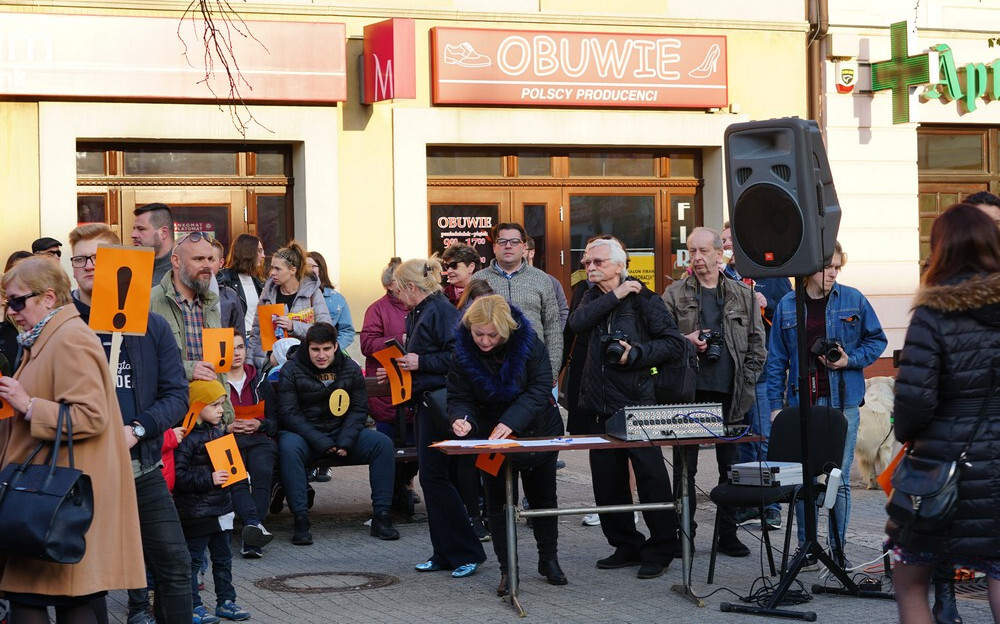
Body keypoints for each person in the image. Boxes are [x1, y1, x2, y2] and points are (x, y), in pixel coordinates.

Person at [0, 257, 145, 623]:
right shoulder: (45, 338)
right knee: (53, 600)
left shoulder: (68, 338)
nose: (10, 311)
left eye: (17, 301)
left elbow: (90, 415)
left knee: (45, 600)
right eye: (6, 302)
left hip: (56, 502)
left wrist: (28, 404)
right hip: (46, 500)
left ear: (48, 297)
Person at [68, 223, 194, 624]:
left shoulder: (150, 326)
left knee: (175, 566)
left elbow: (177, 395)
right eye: (80, 258)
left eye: (98, 257)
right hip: (81, 476)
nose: (89, 266)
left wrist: (137, 429)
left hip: (141, 469)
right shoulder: (62, 326)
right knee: (88, 577)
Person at [889, 203, 1000, 624]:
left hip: (945, 469)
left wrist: (909, 434)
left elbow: (915, 403)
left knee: (910, 580)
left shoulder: (933, 313)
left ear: (941, 250)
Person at [567, 238, 686, 580]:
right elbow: (576, 325)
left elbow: (672, 344)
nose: (590, 267)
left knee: (651, 479)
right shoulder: (591, 297)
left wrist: (636, 355)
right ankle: (625, 544)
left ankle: (662, 547)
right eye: (587, 262)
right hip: (598, 404)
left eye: (598, 262)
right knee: (607, 482)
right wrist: (614, 296)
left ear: (620, 266)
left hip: (638, 404)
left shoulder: (646, 301)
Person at [766, 240, 887, 568]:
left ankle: (838, 549)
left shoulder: (853, 299)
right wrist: (776, 406)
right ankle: (807, 547)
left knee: (838, 477)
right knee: (804, 477)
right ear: (809, 268)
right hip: (802, 401)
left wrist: (849, 360)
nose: (834, 273)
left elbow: (878, 340)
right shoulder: (788, 305)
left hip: (843, 401)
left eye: (838, 267)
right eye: (827, 267)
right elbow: (776, 359)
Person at [448, 295, 567, 596]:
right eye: (478, 334)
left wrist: (512, 421)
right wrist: (462, 419)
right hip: (492, 434)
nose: (485, 341)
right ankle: (507, 569)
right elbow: (459, 395)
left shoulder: (529, 343)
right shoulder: (462, 352)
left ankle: (548, 559)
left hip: (537, 428)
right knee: (498, 503)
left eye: (492, 335)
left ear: (507, 329)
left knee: (543, 497)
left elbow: (541, 387)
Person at [662, 227, 767, 558]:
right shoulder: (674, 294)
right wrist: (685, 342)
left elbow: (757, 346)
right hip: (689, 393)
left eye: (702, 251)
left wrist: (747, 383)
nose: (696, 257)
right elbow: (660, 341)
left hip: (730, 393)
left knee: (730, 466)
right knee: (684, 467)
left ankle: (728, 532)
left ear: (719, 253)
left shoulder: (743, 295)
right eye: (691, 251)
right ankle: (685, 534)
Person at [386, 258, 486, 578]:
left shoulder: (440, 310)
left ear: (412, 288)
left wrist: (420, 361)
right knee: (433, 479)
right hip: (428, 404)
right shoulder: (423, 310)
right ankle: (444, 552)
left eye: (399, 290)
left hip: (443, 404)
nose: (397, 297)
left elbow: (460, 355)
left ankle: (466, 552)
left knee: (440, 479)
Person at [276, 322, 399, 545]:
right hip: (306, 438)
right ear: (307, 347)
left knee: (382, 444)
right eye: (315, 349)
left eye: (326, 349)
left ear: (335, 347)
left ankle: (382, 516)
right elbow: (289, 414)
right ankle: (301, 520)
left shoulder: (349, 367)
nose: (321, 355)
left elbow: (359, 408)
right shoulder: (291, 370)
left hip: (342, 435)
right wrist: (321, 441)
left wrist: (346, 440)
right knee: (288, 446)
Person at [720, 224, 791, 531]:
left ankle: (771, 505)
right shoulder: (718, 278)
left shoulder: (772, 273)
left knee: (763, 438)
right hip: (730, 373)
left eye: (728, 242)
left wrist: (767, 305)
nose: (724, 248)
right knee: (740, 440)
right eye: (721, 243)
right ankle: (748, 502)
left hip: (761, 371)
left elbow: (788, 313)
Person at [174, 380, 254, 624]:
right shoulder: (187, 439)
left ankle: (226, 601)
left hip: (221, 508)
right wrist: (208, 478)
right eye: (214, 405)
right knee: (195, 560)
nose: (221, 410)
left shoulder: (218, 432)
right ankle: (192, 605)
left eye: (222, 404)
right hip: (198, 511)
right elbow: (178, 476)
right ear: (197, 408)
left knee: (223, 558)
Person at [149, 231, 236, 423]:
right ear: (176, 261)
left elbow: (219, 368)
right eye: (198, 259)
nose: (207, 266)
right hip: (172, 420)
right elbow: (144, 362)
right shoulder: (150, 301)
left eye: (210, 258)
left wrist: (227, 417)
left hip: (211, 420)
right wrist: (188, 369)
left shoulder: (212, 303)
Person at [359, 258, 417, 515]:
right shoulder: (377, 309)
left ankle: (403, 485)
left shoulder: (419, 306)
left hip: (414, 387)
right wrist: (397, 341)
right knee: (388, 445)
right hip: (386, 389)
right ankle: (392, 494)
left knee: (416, 446)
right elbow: (367, 344)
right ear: (391, 284)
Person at [472, 223, 563, 379]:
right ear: (494, 247)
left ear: (524, 247)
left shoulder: (541, 279)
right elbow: (466, 327)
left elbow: (552, 326)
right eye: (502, 242)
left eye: (514, 242)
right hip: (489, 368)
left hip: (533, 366)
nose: (508, 246)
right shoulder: (478, 279)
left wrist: (552, 371)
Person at [223, 332, 278, 559]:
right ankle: (254, 528)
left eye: (240, 347)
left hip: (259, 440)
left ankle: (252, 530)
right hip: (226, 441)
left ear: (246, 350)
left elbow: (277, 421)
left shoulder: (261, 381)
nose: (236, 353)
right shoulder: (214, 382)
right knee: (235, 476)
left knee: (262, 471)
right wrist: (227, 428)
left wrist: (260, 423)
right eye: (230, 349)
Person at [248, 241, 331, 370]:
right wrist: (249, 366)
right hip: (270, 365)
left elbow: (326, 330)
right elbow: (256, 332)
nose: (272, 273)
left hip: (303, 364)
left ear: (292, 270)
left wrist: (293, 326)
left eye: (278, 269)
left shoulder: (312, 292)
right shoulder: (268, 293)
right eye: (272, 268)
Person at [305, 251, 355, 350]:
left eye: (312, 266)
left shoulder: (336, 299)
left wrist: (333, 349)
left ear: (321, 269)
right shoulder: (296, 295)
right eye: (305, 266)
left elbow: (347, 331)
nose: (308, 270)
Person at [217, 234, 266, 336]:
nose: (263, 256)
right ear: (248, 252)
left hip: (257, 340)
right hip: (237, 340)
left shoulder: (258, 282)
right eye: (259, 251)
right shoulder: (224, 279)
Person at [525, 236, 569, 327]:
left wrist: (557, 337)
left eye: (521, 249)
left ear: (531, 253)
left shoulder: (549, 282)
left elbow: (562, 313)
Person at [208, 238, 245, 338]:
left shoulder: (230, 296)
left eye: (211, 259)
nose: (206, 264)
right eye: (200, 259)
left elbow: (239, 336)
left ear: (221, 263)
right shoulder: (186, 294)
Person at [131, 203, 175, 285]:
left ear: (163, 232)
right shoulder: (130, 268)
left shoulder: (185, 270)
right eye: (134, 229)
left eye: (141, 229)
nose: (133, 235)